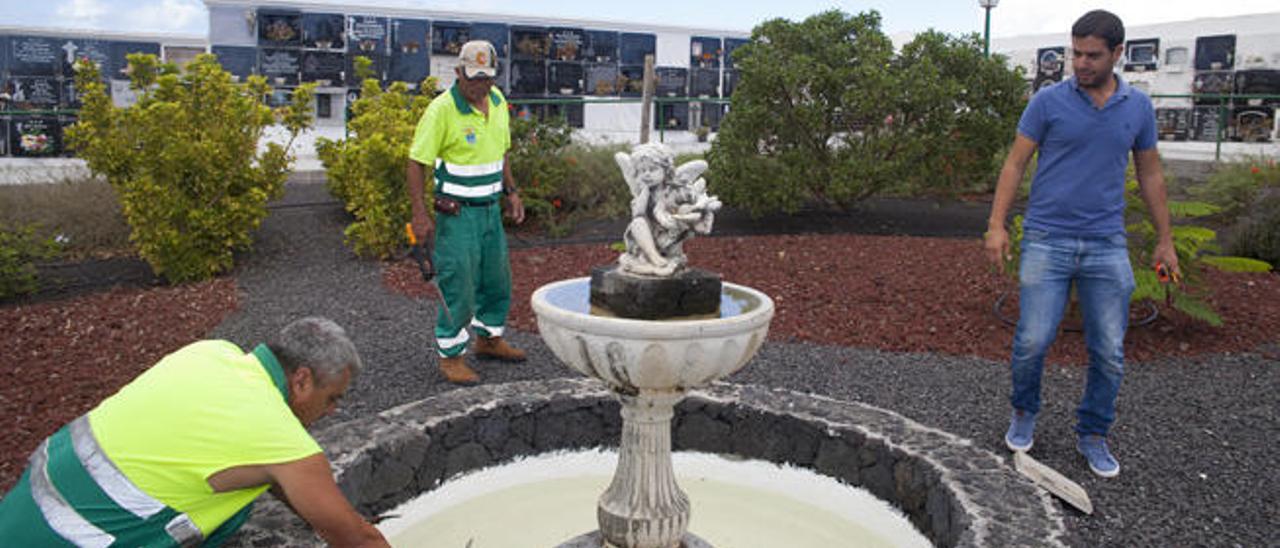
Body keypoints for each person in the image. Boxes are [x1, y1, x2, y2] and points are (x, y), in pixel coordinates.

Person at [983, 9, 1178, 478]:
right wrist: (997, 225)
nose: (1081, 63)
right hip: (1047, 239)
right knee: (1032, 341)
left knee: (1109, 350)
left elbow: (1150, 173)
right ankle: (1024, 411)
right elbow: (1015, 164)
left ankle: (1093, 432)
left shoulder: (1137, 108)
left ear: (1117, 53)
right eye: (1076, 53)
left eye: (1092, 55)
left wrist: (1165, 241)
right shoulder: (1047, 102)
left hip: (1106, 244)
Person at [0, 317, 389, 547]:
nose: (334, 410)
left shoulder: (209, 353)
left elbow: (256, 463)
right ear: (302, 380)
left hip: (19, 514)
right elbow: (356, 539)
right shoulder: (279, 435)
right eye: (333, 397)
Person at [407, 40, 527, 385]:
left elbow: (502, 151)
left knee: (496, 279)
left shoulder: (498, 101)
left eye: (487, 78)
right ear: (458, 73)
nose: (481, 85)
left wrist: (511, 191)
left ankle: (489, 339)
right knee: (459, 282)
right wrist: (419, 214)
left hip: (490, 210)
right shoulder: (442, 109)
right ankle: (451, 355)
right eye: (474, 78)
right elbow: (416, 163)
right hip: (457, 214)